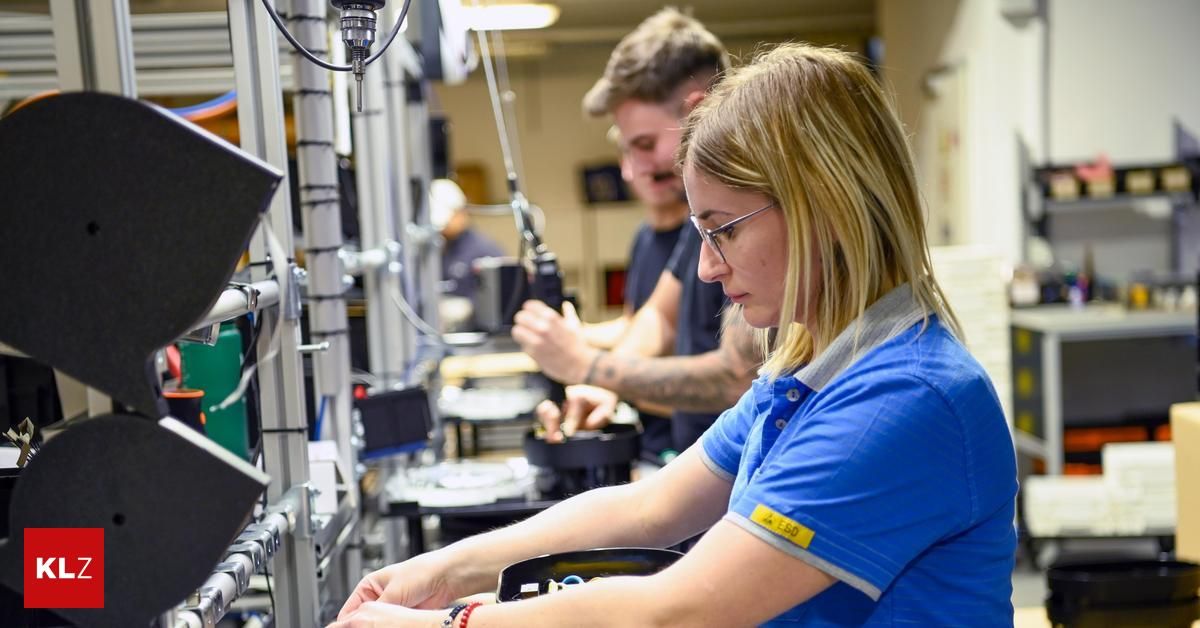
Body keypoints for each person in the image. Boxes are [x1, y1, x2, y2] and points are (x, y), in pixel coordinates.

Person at [333, 43, 1018, 627]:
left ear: (824, 203)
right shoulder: (810, 375)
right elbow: (651, 506)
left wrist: (459, 620)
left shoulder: (904, 398)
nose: (707, 266)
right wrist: (442, 572)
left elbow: (676, 611)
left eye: (724, 229)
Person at [512, 8, 759, 457]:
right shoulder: (699, 214)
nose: (634, 169)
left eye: (646, 144)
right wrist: (602, 383)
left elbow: (737, 375)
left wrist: (589, 365)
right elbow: (658, 318)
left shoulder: (756, 205)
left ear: (697, 111)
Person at [431, 178, 504, 303]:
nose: (442, 230)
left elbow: (500, 299)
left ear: (461, 213)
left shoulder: (483, 250)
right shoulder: (440, 247)